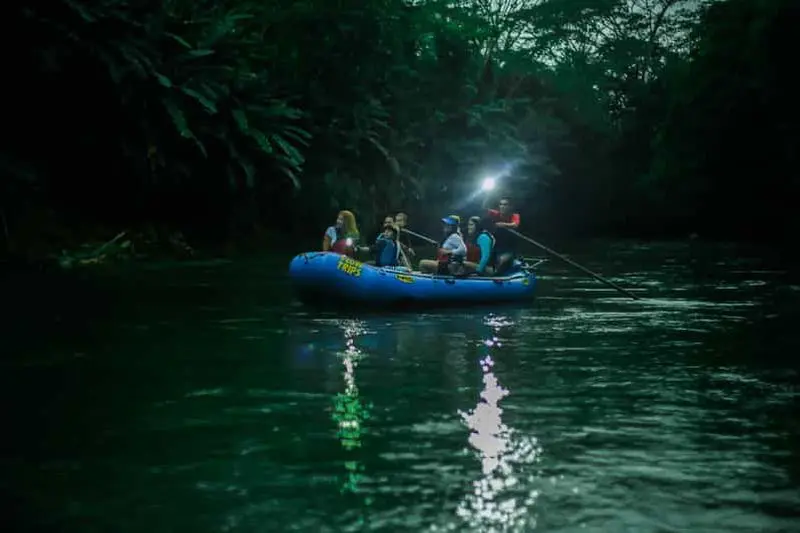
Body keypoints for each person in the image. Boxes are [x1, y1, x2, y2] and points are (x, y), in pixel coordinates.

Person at [485, 196, 520, 274]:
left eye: (505, 205)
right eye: (501, 204)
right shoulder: (495, 214)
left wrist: (503, 224)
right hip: (495, 246)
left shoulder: (515, 216)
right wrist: (487, 195)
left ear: (510, 207)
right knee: (485, 260)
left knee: (501, 260)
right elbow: (484, 208)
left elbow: (515, 225)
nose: (502, 207)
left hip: (509, 249)